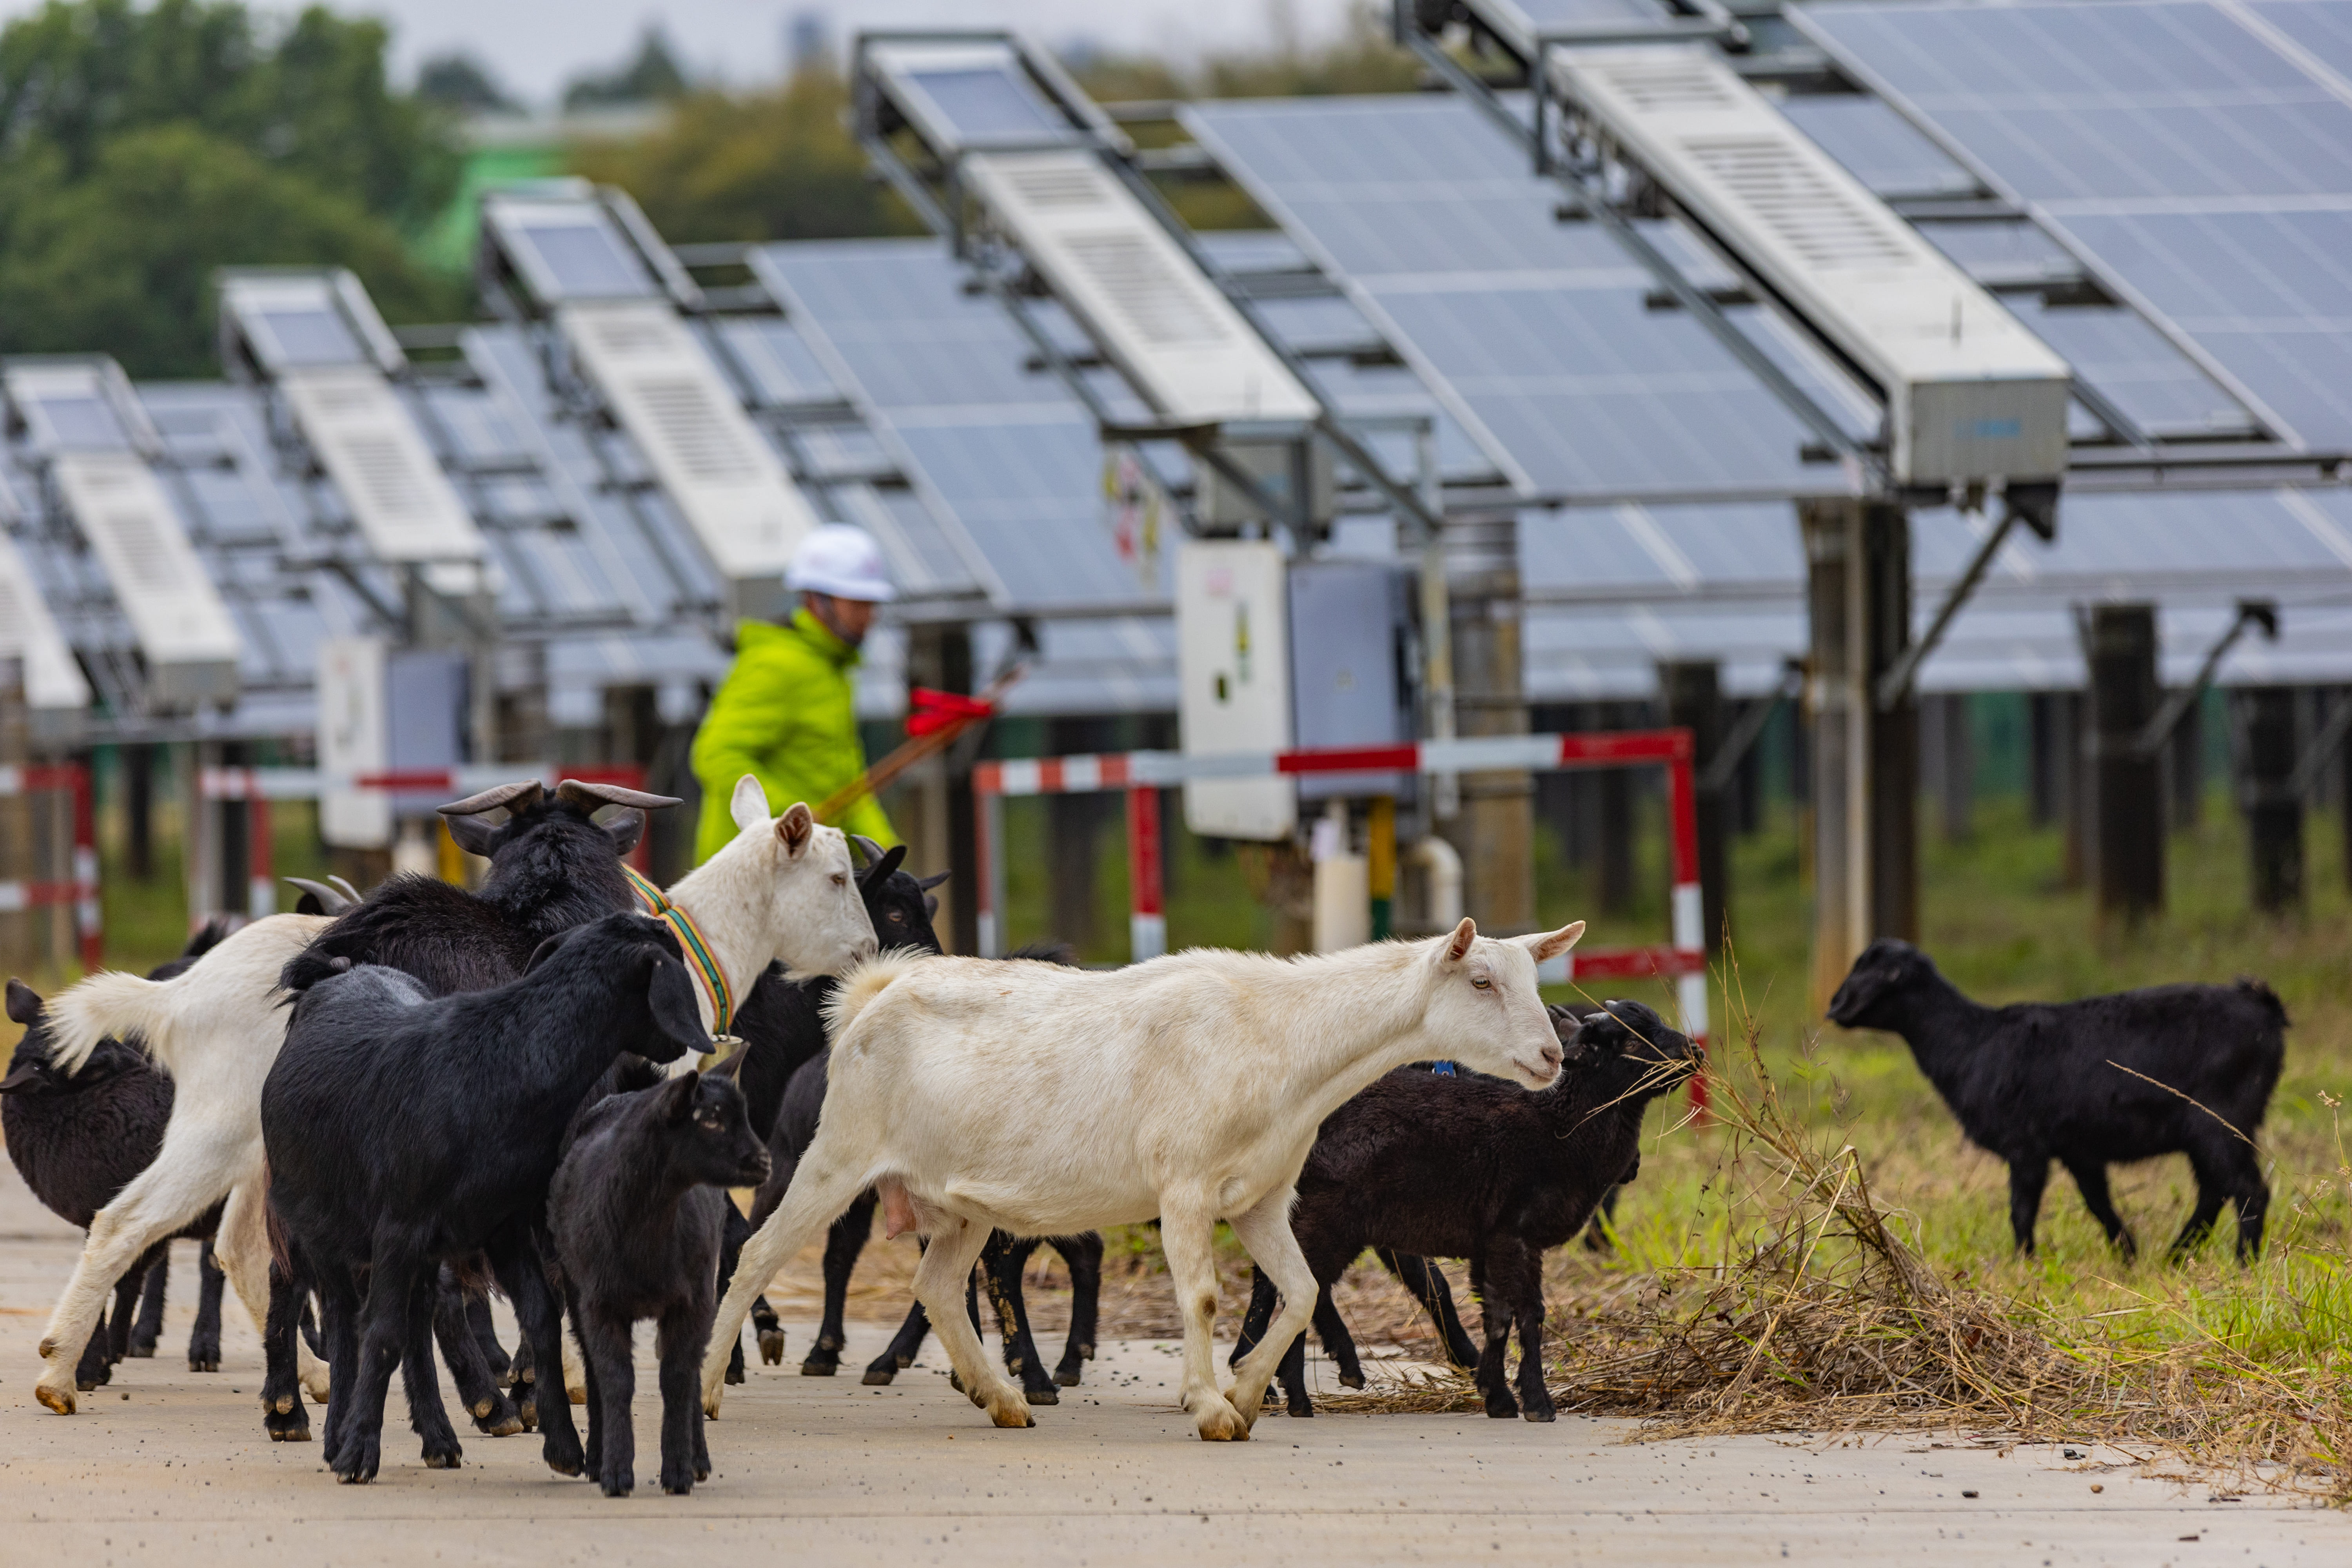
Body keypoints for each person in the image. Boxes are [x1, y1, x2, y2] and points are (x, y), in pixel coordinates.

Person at [690, 524, 898, 864]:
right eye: (858, 603)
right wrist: (792, 814)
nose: (869, 616)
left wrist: (888, 854)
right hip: (747, 874)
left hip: (804, 873)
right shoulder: (775, 664)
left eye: (872, 603)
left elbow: (850, 786)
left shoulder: (834, 670)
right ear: (817, 599)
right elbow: (715, 755)